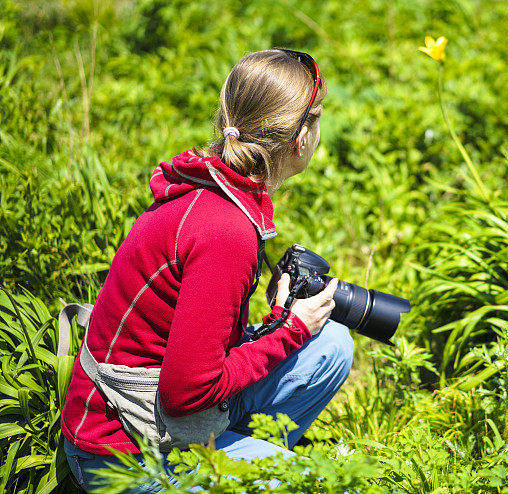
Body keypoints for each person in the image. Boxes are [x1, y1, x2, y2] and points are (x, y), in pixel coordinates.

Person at [60, 49, 354, 492]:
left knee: (331, 343)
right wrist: (288, 330)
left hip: (166, 412)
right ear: (302, 138)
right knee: (313, 483)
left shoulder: (211, 182)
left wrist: (280, 323)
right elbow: (187, 394)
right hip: (121, 452)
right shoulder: (225, 231)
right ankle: (233, 471)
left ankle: (237, 459)